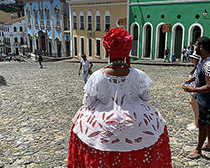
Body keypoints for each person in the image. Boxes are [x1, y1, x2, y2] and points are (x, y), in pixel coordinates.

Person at [68, 27, 172, 167]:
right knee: (154, 125)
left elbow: (87, 101)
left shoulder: (97, 76)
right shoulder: (137, 74)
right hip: (135, 118)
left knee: (82, 125)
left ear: (107, 49)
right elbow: (146, 97)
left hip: (103, 121)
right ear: (127, 50)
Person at [183, 36, 210, 159]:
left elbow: (209, 86)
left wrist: (192, 89)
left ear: (201, 47)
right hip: (203, 100)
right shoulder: (201, 60)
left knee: (202, 124)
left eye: (196, 45)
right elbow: (199, 73)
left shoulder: (208, 64)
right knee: (207, 124)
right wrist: (191, 79)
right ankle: (209, 143)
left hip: (207, 101)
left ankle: (198, 149)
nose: (195, 47)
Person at [186, 52, 200, 131]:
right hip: (192, 89)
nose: (191, 60)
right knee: (194, 107)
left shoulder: (198, 69)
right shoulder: (196, 68)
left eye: (193, 58)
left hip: (195, 90)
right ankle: (195, 122)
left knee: (196, 108)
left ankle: (196, 123)